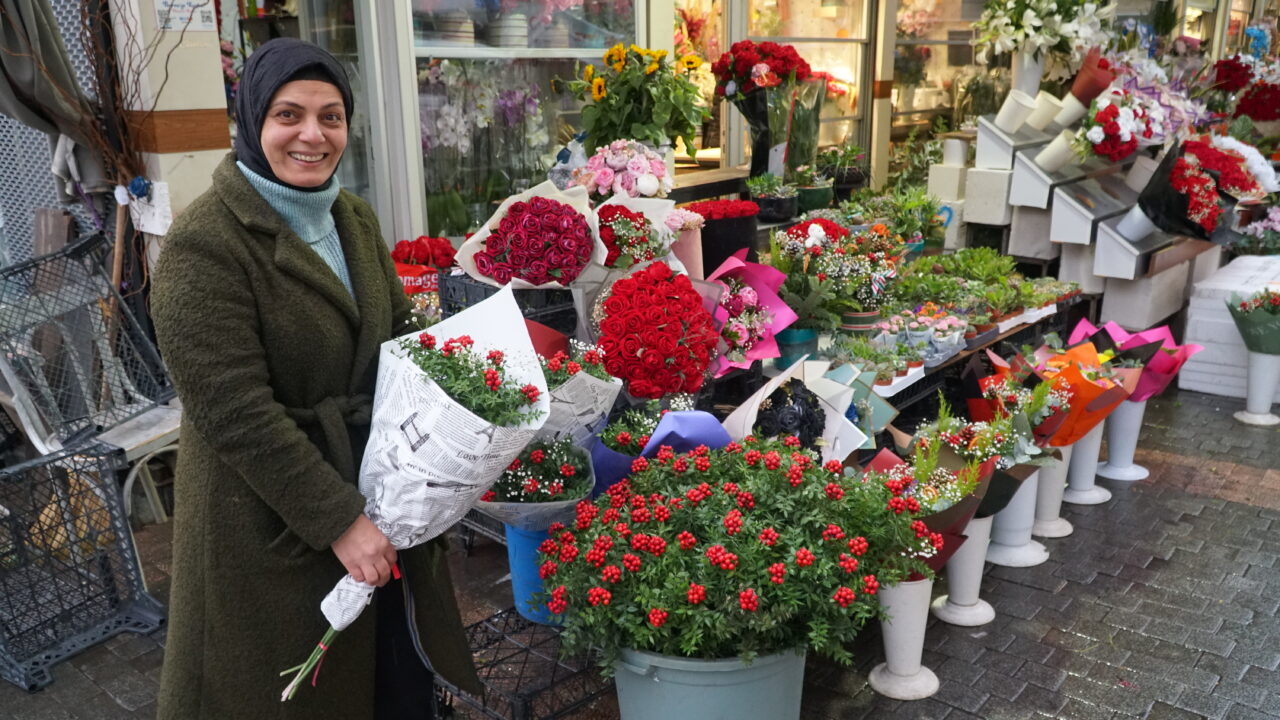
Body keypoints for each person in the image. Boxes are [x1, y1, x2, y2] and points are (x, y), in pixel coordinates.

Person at [151, 38, 479, 719]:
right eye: (288, 115)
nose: (312, 134)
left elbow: (397, 349)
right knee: (291, 695)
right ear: (252, 122)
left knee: (392, 680)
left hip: (377, 491)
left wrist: (462, 423)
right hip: (269, 521)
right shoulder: (204, 244)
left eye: (331, 116)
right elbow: (237, 415)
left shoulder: (351, 217)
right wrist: (339, 520)